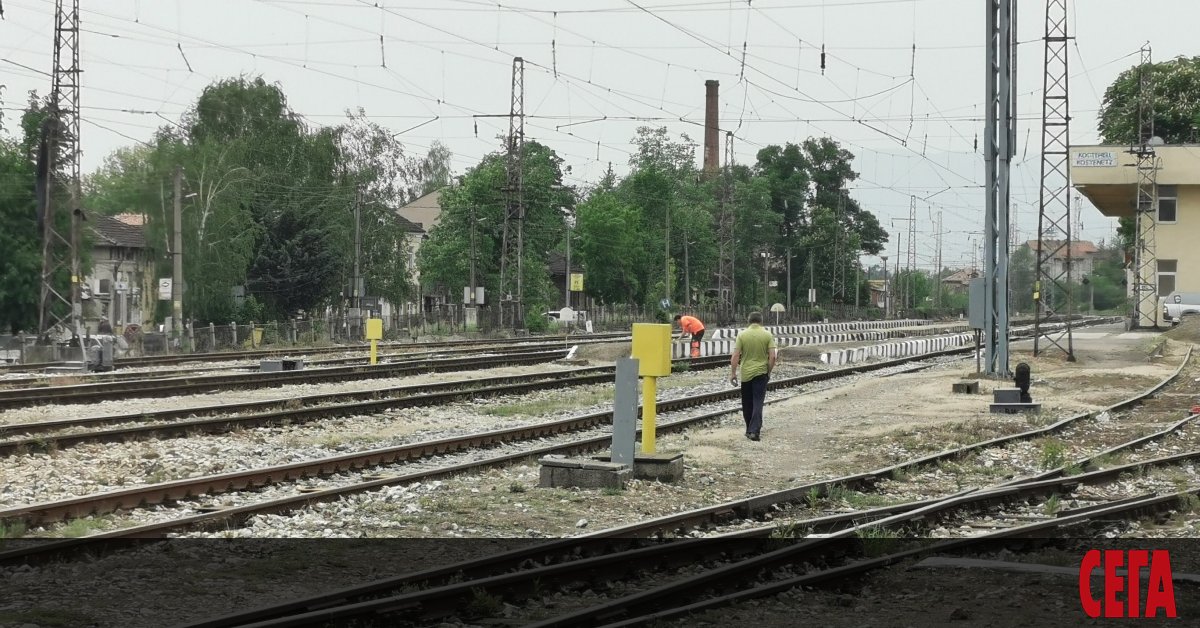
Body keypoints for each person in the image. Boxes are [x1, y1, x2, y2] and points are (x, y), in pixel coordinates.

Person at [730, 311, 776, 441]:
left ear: (748, 321)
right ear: (761, 321)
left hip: (746, 373)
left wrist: (733, 373)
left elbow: (735, 356)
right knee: (758, 402)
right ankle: (754, 431)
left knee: (747, 403)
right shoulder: (767, 334)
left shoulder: (742, 335)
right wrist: (768, 371)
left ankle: (748, 429)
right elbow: (772, 357)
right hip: (761, 373)